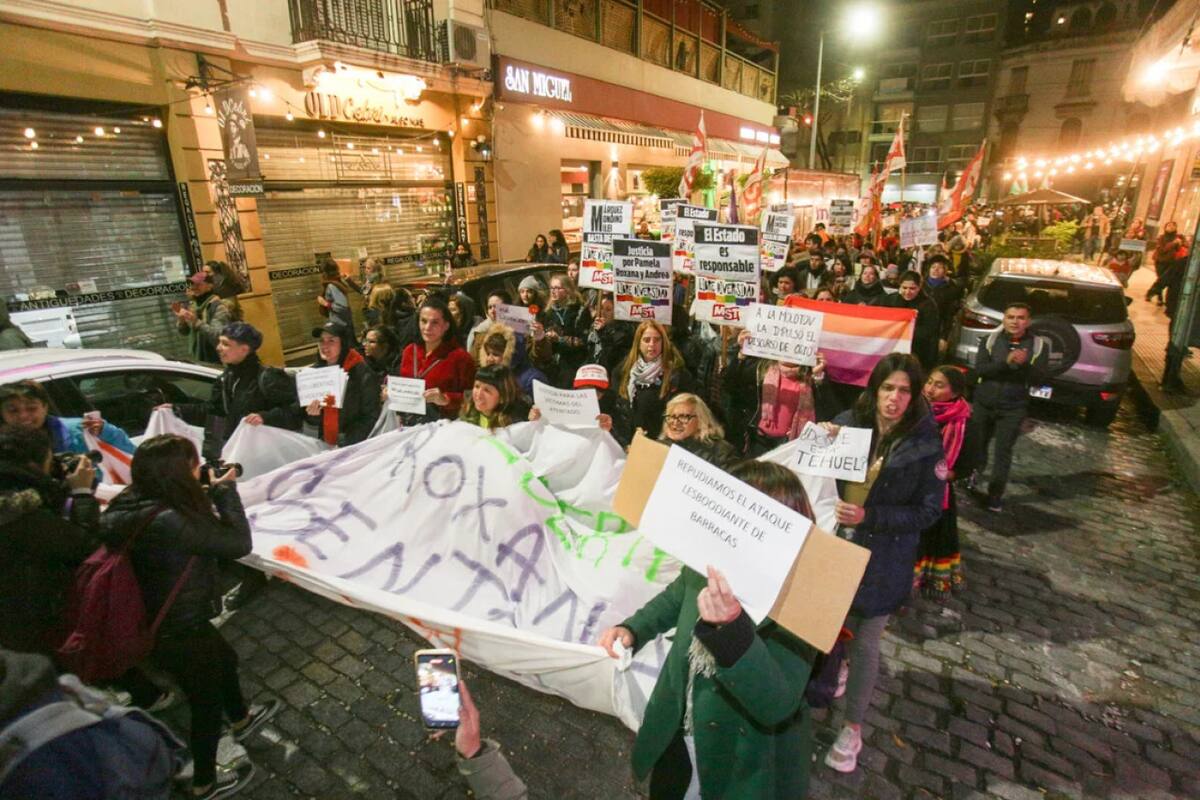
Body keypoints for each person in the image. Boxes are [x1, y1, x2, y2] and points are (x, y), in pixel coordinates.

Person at [598, 461, 817, 798]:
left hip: (737, 761)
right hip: (678, 729)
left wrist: (731, 630)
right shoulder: (711, 561)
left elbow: (777, 703)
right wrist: (634, 628)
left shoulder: (802, 602)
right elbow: (676, 596)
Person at [100, 435, 278, 798]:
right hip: (176, 628)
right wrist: (225, 491)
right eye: (194, 464)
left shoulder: (129, 504)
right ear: (178, 473)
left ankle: (242, 718)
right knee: (206, 701)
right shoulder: (170, 518)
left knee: (225, 659)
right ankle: (203, 783)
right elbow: (238, 543)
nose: (200, 469)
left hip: (157, 619)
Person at [824, 353, 945, 774]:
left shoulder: (927, 442)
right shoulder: (849, 423)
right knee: (828, 626)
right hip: (835, 550)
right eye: (887, 388)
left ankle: (851, 728)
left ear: (914, 397)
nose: (894, 398)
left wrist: (870, 517)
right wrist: (820, 438)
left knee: (866, 642)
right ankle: (831, 672)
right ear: (874, 390)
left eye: (904, 391)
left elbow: (929, 511)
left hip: (883, 559)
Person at [0, 426, 97, 658]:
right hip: (27, 628)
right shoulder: (16, 511)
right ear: (34, 465)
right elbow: (85, 547)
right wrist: (82, 493)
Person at [966, 302, 1049, 512]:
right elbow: (980, 370)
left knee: (1003, 451)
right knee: (978, 445)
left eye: (1020, 318)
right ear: (1004, 319)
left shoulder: (1038, 345)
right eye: (1011, 317)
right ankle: (971, 479)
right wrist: (1006, 362)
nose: (1015, 321)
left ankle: (995, 495)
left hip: (1014, 407)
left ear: (1028, 321)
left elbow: (1040, 378)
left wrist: (1024, 366)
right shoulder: (991, 340)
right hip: (984, 402)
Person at [0, 380, 135, 483]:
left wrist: (105, 432)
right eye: (13, 411)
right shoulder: (4, 446)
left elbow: (131, 454)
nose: (23, 416)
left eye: (31, 408)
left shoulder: (81, 430)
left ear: (45, 407)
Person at [913, 365, 970, 601]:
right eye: (929, 382)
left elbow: (972, 459)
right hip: (909, 484)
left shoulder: (962, 421)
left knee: (928, 538)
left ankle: (922, 580)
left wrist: (948, 474)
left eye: (939, 385)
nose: (930, 389)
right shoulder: (915, 410)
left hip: (937, 492)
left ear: (954, 392)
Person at [726, 331, 832, 456]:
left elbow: (827, 407)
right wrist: (742, 355)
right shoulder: (761, 368)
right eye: (783, 344)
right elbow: (730, 384)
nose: (787, 348)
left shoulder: (812, 375)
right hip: (759, 442)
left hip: (793, 446)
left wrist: (818, 376)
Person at [397, 296, 476, 422]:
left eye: (435, 322)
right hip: (410, 425)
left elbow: (473, 397)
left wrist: (446, 399)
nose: (427, 327)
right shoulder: (410, 351)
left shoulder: (460, 358)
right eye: (423, 321)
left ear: (446, 326)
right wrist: (391, 393)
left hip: (445, 428)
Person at [304, 321, 381, 447]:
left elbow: (371, 416)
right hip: (326, 443)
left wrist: (346, 441)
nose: (325, 345)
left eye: (331, 341)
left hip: (356, 446)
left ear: (343, 343)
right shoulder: (315, 374)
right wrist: (313, 415)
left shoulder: (362, 373)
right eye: (322, 340)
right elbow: (312, 418)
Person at [614, 320, 692, 443]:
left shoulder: (677, 374)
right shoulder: (624, 371)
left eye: (657, 340)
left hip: (662, 444)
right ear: (638, 343)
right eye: (646, 340)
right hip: (630, 442)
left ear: (663, 343)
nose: (651, 344)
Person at [530, 274, 592, 388]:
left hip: (575, 363)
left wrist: (560, 339)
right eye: (552, 288)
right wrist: (542, 336)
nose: (553, 291)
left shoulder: (580, 310)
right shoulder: (547, 313)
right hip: (554, 366)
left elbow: (584, 341)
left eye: (558, 288)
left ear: (567, 290)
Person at [875, 271, 941, 370]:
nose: (907, 292)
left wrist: (906, 331)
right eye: (904, 288)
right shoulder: (890, 300)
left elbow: (929, 331)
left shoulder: (928, 305)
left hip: (918, 351)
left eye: (912, 288)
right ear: (899, 286)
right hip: (892, 348)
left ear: (919, 287)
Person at [527, 364, 616, 434]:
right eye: (584, 390)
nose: (591, 395)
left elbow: (623, 445)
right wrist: (537, 419)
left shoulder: (617, 407)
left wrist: (609, 430)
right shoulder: (562, 403)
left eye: (597, 390)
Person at [657, 393, 739, 469]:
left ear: (701, 420)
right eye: (672, 417)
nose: (675, 422)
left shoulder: (721, 452)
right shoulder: (658, 446)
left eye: (683, 417)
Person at [474, 324, 546, 402]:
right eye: (488, 353)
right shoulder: (488, 376)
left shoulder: (532, 379)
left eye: (496, 354)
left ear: (511, 354)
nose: (489, 359)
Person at [174, 272, 231, 364]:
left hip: (216, 360)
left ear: (210, 286)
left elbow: (217, 336)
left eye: (198, 284)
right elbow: (184, 332)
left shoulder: (218, 307)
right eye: (192, 284)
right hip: (198, 359)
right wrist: (182, 320)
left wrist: (196, 322)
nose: (194, 287)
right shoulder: (194, 305)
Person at [459, 366, 528, 431]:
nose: (479, 394)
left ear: (502, 397)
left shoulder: (513, 425)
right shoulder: (468, 411)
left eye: (487, 390)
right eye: (477, 386)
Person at [586, 295, 634, 379]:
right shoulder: (594, 326)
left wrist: (603, 332)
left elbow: (611, 355)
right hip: (594, 372)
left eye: (608, 309)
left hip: (612, 375)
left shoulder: (624, 330)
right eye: (600, 308)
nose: (602, 313)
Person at [922, 257, 962, 343]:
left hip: (938, 330)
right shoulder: (921, 285)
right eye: (933, 267)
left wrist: (944, 337)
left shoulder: (951, 288)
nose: (936, 270)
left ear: (945, 270)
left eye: (939, 267)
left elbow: (949, 315)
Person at [1146, 221, 1185, 305]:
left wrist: (1179, 244)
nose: (1171, 227)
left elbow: (1178, 250)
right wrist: (1173, 243)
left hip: (1171, 262)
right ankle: (1157, 297)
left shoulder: (1177, 237)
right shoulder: (1161, 237)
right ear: (1165, 227)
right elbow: (1162, 250)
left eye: (1173, 226)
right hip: (1160, 261)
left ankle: (1151, 294)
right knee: (1161, 279)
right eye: (1169, 225)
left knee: (1165, 281)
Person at [316, 258, 358, 336]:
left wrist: (325, 303)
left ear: (325, 273)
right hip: (343, 322)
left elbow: (342, 307)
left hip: (340, 324)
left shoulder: (332, 286)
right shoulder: (337, 283)